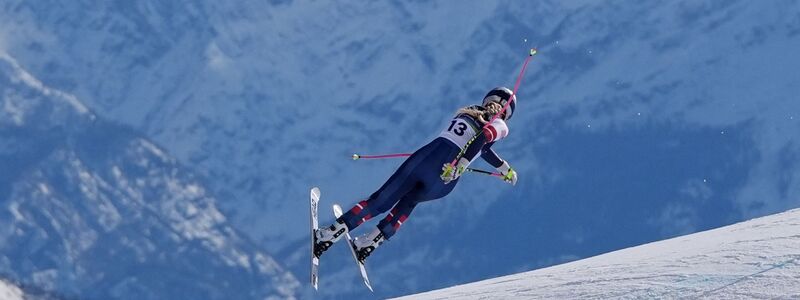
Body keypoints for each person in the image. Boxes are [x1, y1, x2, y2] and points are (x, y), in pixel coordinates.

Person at [314, 87, 519, 262]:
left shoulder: (470, 111)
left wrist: (471, 163)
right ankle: (370, 242)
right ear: (507, 113)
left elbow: (480, 139)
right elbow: (482, 144)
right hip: (445, 181)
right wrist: (502, 168)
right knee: (410, 202)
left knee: (381, 201)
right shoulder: (500, 125)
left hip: (429, 158)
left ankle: (329, 235)